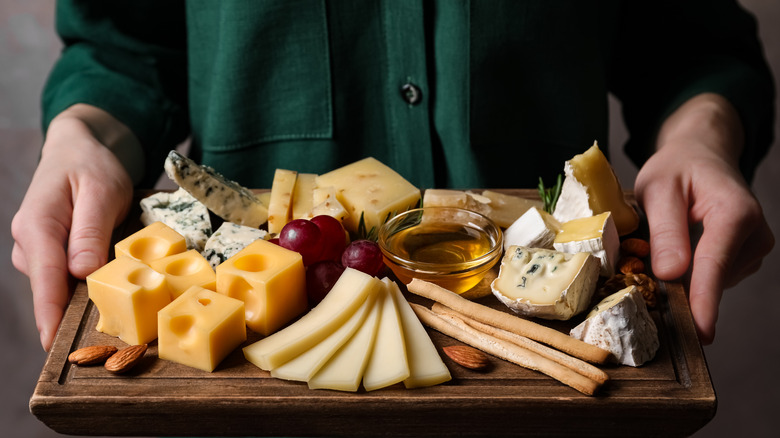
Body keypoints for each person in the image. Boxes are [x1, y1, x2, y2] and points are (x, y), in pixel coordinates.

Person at [12, 0, 775, 352]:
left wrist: (702, 133)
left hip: (540, 365)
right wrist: (84, 135)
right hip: (245, 365)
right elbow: (122, 50)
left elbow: (689, 47)